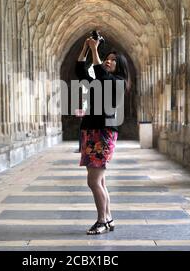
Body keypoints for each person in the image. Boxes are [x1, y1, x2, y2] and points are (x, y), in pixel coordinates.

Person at [75, 36, 131, 235]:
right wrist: (85, 49)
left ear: (120, 66)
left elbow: (102, 76)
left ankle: (101, 221)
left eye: (114, 60)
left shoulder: (117, 82)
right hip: (92, 132)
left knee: (93, 181)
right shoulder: (101, 81)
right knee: (100, 181)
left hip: (102, 133)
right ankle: (108, 218)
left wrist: (95, 49)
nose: (109, 61)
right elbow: (81, 72)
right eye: (107, 58)